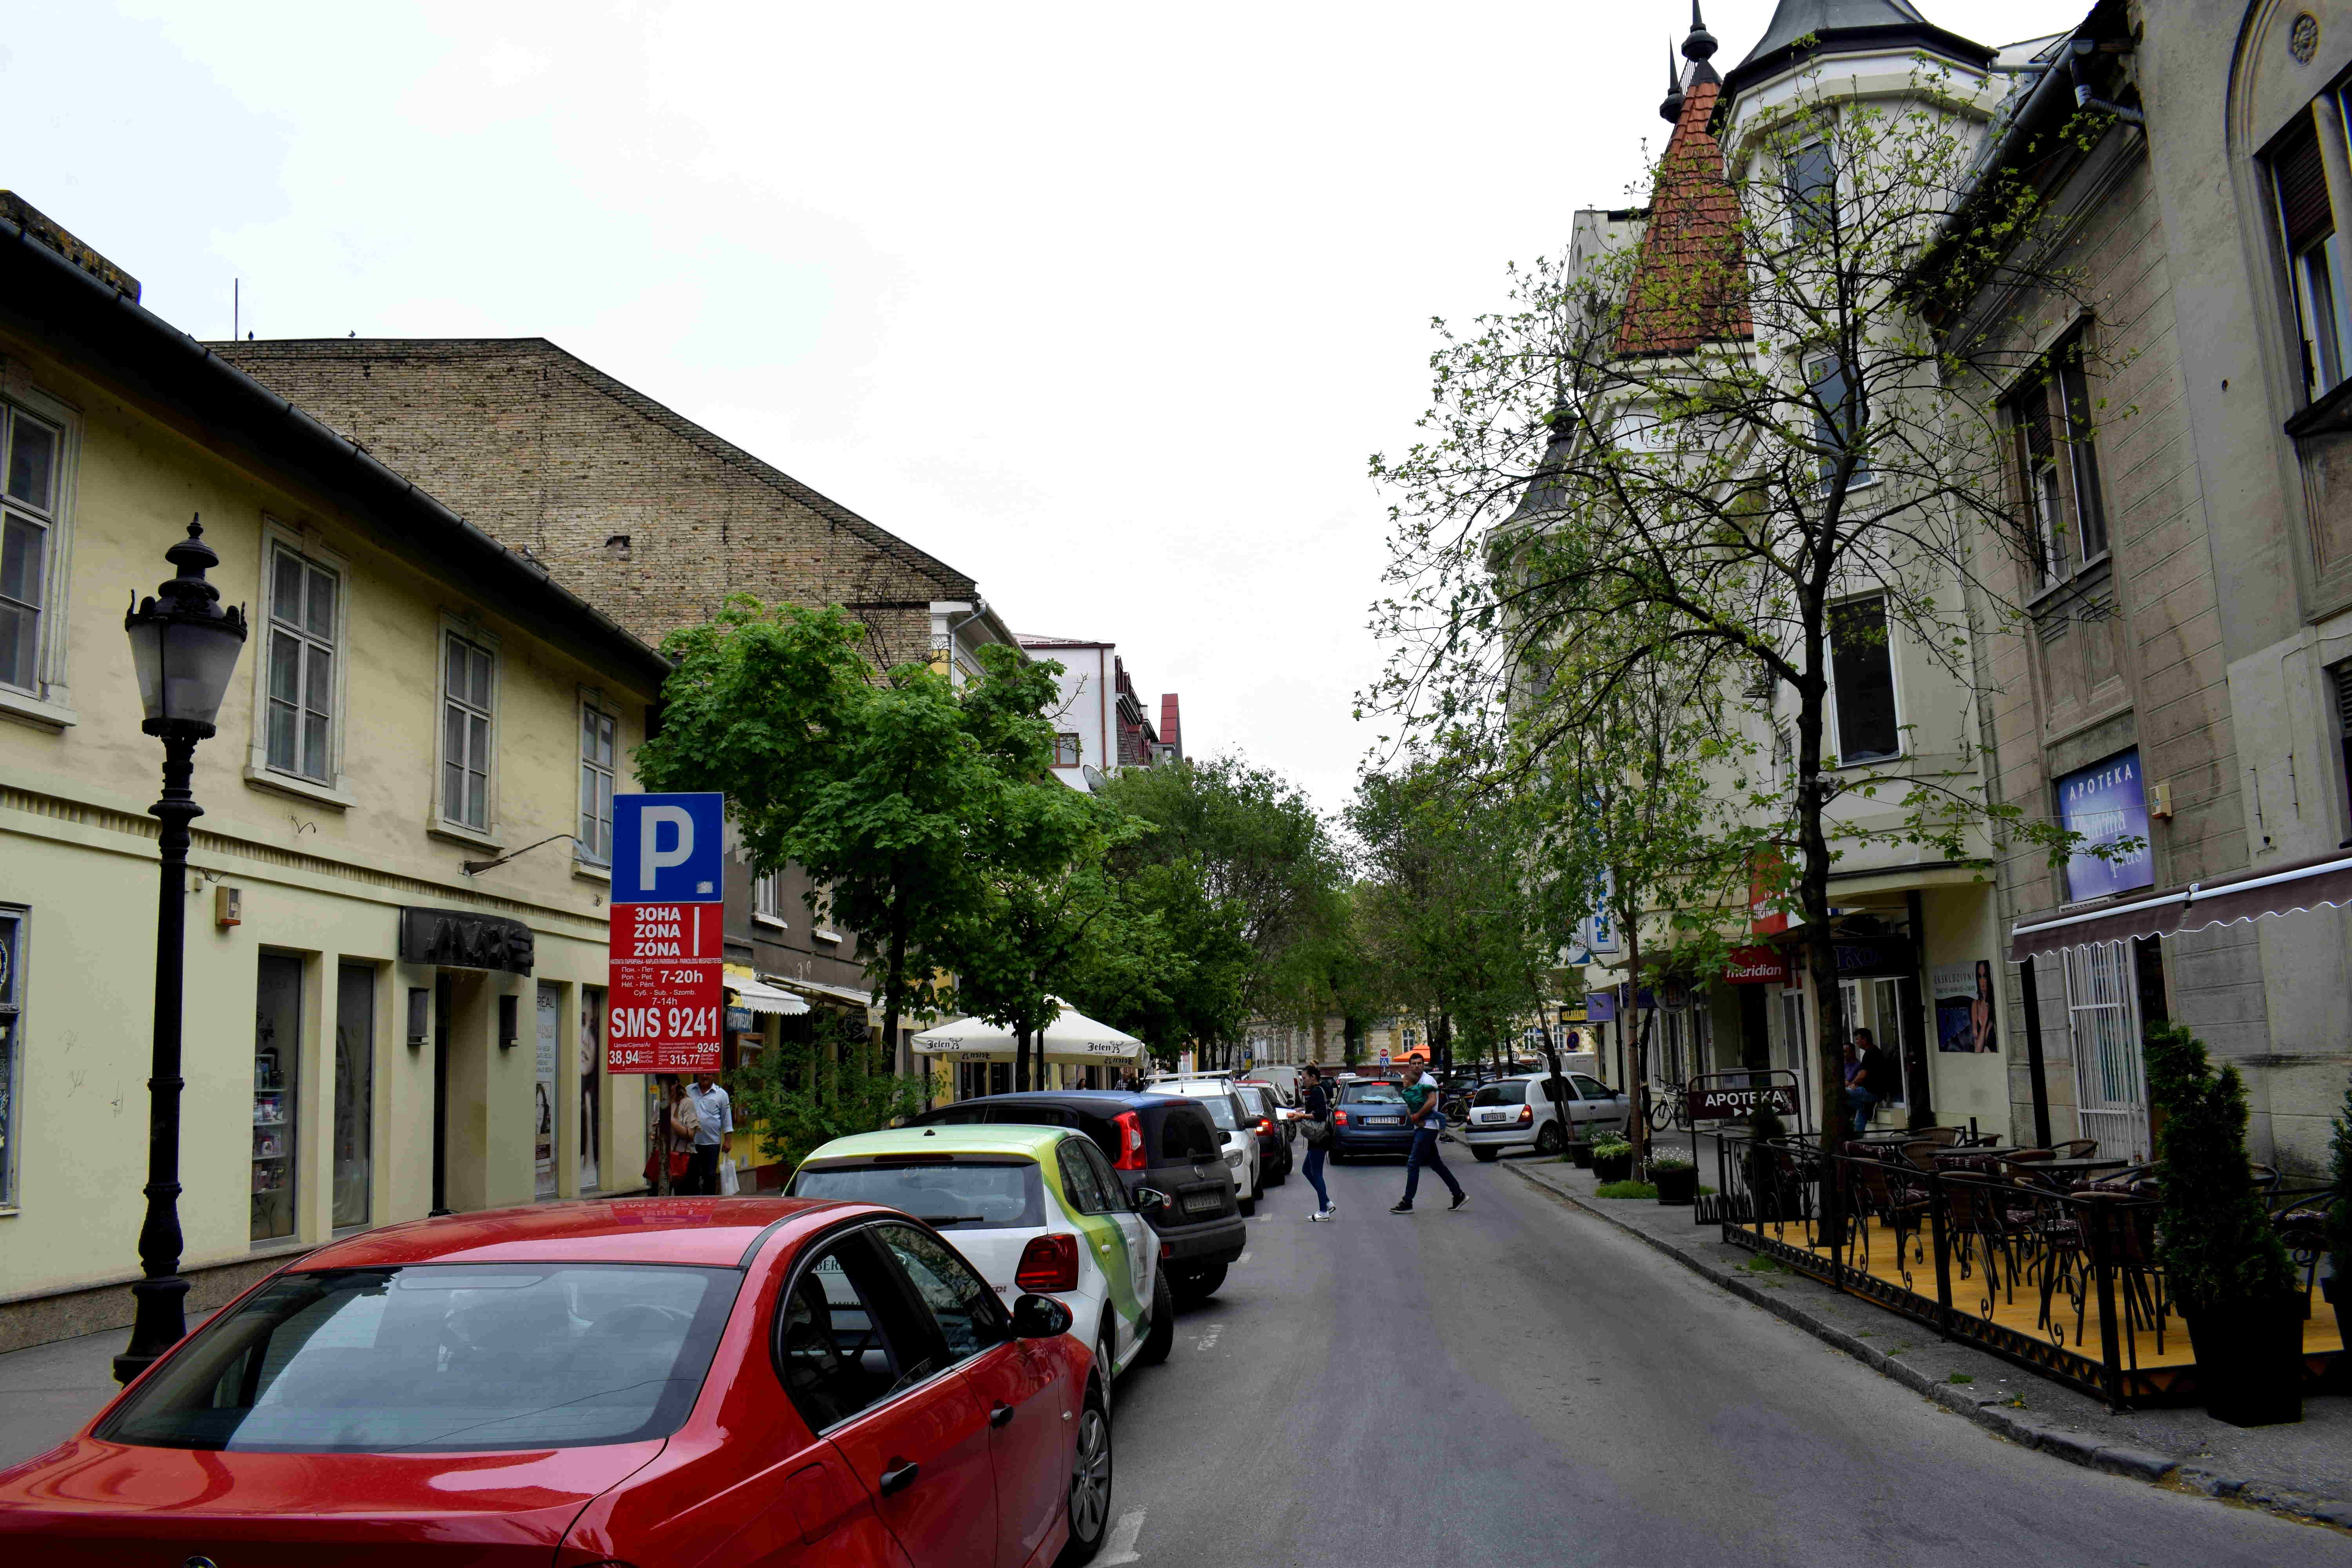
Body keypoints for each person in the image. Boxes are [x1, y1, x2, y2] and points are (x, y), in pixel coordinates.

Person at [1391, 1060, 1466, 1213]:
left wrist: (1418, 1116)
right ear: (1410, 1066)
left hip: (1429, 1127)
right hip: (1422, 1126)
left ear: (1423, 1065)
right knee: (1436, 1164)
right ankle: (1459, 1194)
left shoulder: (1428, 1081)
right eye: (1414, 1063)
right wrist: (1413, 1117)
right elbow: (1409, 1105)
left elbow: (1432, 1102)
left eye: (1420, 1063)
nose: (1417, 1066)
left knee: (1413, 1163)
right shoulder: (1412, 1082)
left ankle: (1408, 1202)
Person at [684, 1071, 733, 1195]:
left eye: (708, 1073)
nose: (705, 1076)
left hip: (712, 1143)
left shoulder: (721, 1094)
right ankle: (693, 1206)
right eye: (702, 1073)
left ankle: (709, 1205)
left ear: (714, 1076)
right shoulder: (689, 1090)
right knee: (691, 1176)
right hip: (691, 1143)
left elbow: (726, 1119)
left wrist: (728, 1141)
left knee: (710, 1176)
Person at [1300, 1064, 1335, 1221]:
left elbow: (1320, 1115)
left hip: (1318, 1138)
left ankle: (1323, 1211)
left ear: (1313, 1077)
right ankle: (1327, 1202)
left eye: (1304, 1078)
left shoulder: (1316, 1092)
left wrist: (1301, 1117)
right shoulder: (1319, 1090)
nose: (1303, 1081)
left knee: (1317, 1174)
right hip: (1318, 1138)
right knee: (1307, 1170)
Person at [1845, 1028, 1890, 1136]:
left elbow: (1862, 1076)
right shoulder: (1873, 1051)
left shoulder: (1870, 1053)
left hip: (1872, 1092)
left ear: (1864, 1040)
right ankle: (1857, 1143)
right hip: (1875, 1093)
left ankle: (1865, 1106)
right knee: (1859, 1125)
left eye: (1857, 1039)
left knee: (1841, 1094)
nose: (1856, 1042)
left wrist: (1852, 1086)